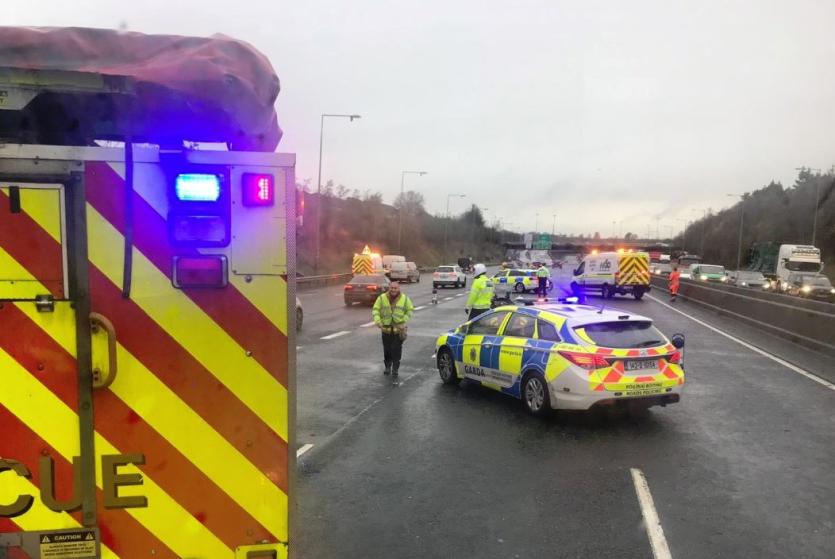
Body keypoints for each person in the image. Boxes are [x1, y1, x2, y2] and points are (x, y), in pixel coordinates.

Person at [372, 281, 414, 376]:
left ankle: (395, 369)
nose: (393, 290)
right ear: (389, 288)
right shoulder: (382, 298)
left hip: (398, 330)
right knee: (387, 350)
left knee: (396, 350)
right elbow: (375, 309)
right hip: (386, 330)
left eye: (395, 288)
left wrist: (404, 319)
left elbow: (410, 310)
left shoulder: (405, 299)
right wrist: (378, 321)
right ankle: (387, 367)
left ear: (399, 289)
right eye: (392, 288)